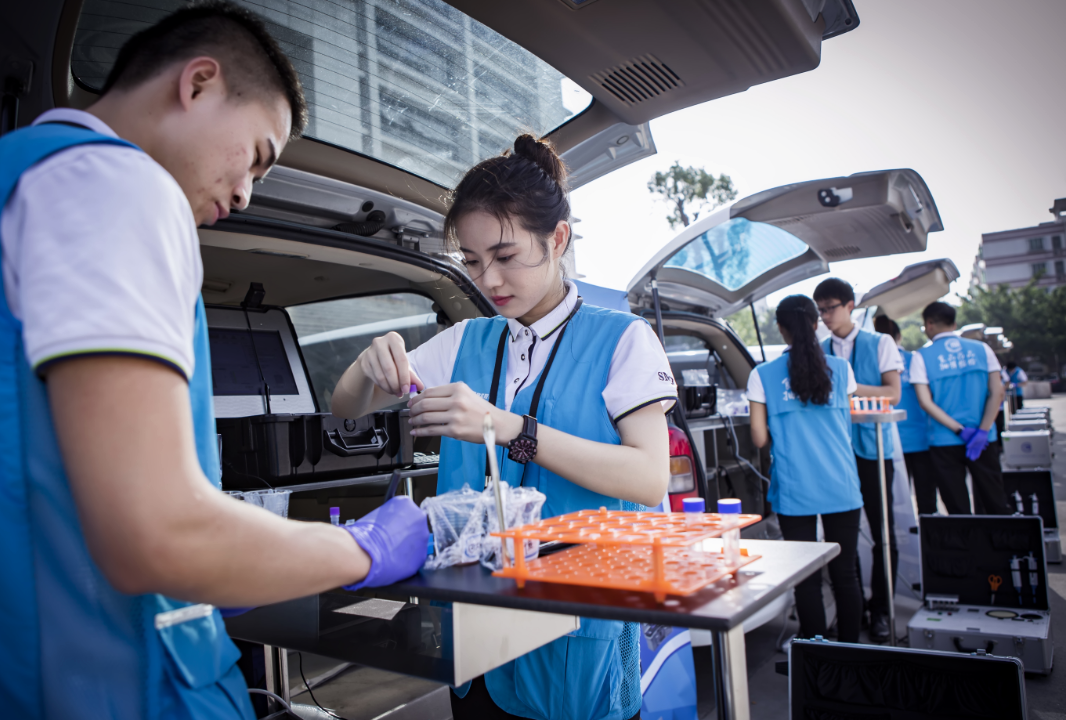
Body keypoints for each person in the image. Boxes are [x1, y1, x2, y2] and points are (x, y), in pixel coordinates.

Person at [0, 5, 428, 719]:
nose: (247, 193)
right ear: (198, 83)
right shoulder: (121, 187)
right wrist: (362, 547)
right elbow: (157, 534)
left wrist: (233, 557)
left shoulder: (21, 177)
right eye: (258, 155)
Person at [331, 135, 677, 720]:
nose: (489, 279)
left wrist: (508, 426)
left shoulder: (623, 340)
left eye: (505, 255)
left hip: (576, 636)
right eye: (470, 260)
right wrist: (367, 367)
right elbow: (345, 410)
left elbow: (647, 476)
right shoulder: (469, 340)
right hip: (476, 642)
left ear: (558, 238)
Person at [749, 295, 863, 643]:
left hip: (794, 487)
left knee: (806, 577)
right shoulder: (841, 370)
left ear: (781, 329)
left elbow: (758, 438)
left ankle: (815, 655)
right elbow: (849, 420)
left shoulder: (762, 375)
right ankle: (851, 652)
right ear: (816, 324)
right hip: (841, 484)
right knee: (846, 574)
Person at [813, 278, 902, 643]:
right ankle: (853, 607)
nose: (825, 317)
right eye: (820, 311)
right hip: (835, 452)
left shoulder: (879, 343)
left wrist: (845, 382)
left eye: (830, 308)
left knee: (883, 532)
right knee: (840, 536)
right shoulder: (817, 350)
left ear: (850, 306)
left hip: (875, 450)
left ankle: (881, 609)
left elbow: (893, 393)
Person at [909, 302, 1009, 514]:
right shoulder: (982, 350)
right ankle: (1003, 545)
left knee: (957, 507)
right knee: (994, 500)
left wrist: (960, 431)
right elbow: (997, 392)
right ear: (954, 323)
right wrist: (982, 431)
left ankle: (969, 546)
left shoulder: (921, 357)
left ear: (929, 324)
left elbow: (925, 402)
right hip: (983, 441)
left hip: (944, 441)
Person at [873, 316, 943, 515]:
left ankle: (900, 543)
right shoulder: (916, 360)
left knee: (892, 504)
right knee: (927, 500)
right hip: (921, 439)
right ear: (899, 336)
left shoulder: (872, 364)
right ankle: (929, 542)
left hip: (886, 443)